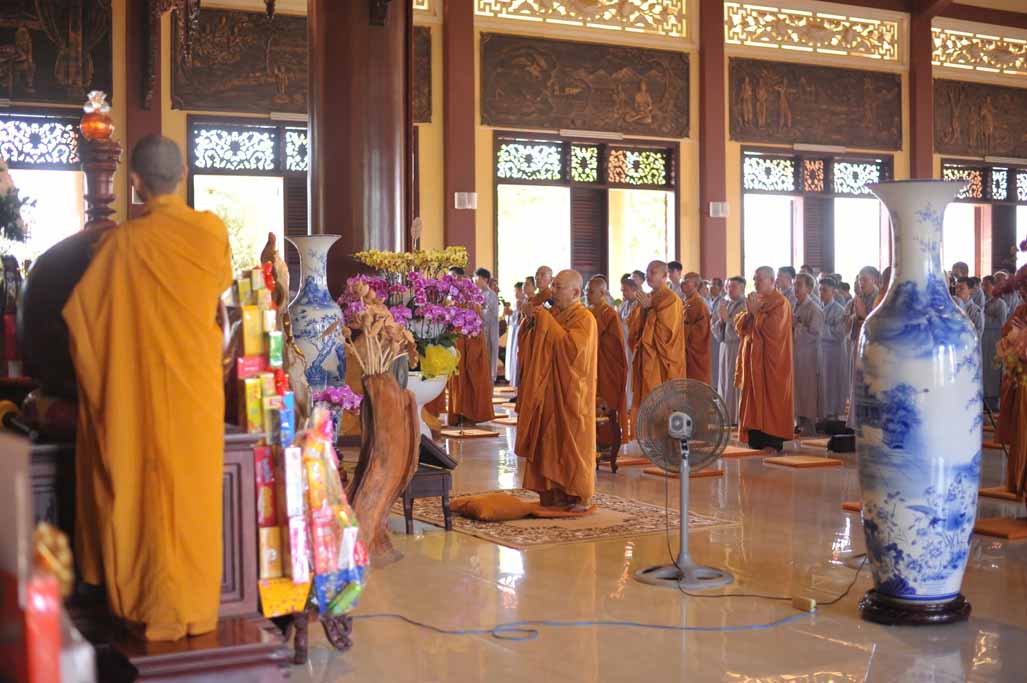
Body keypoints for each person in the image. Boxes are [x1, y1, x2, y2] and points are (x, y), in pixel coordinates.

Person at [63, 135, 233, 641]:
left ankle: (146, 607)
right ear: (183, 177)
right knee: (193, 502)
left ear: (134, 183)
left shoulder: (120, 246)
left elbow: (82, 323)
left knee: (142, 495)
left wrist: (103, 384)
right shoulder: (210, 233)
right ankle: (197, 610)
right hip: (196, 397)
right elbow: (218, 287)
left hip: (135, 398)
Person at [516, 269, 597, 511]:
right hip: (548, 389)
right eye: (553, 286)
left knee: (572, 442)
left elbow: (573, 351)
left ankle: (579, 495)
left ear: (575, 292)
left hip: (572, 392)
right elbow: (534, 343)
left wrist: (545, 321)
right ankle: (553, 492)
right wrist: (531, 321)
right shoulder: (553, 314)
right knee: (548, 440)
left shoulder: (585, 319)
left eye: (558, 287)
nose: (552, 291)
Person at [736, 265, 794, 453]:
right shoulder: (758, 301)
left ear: (772, 281)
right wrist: (749, 314)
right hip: (755, 361)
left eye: (759, 279)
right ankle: (756, 437)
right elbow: (743, 329)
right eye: (754, 279)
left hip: (773, 361)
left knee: (772, 398)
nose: (755, 283)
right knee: (754, 396)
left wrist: (755, 314)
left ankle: (773, 440)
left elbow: (773, 331)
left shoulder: (780, 303)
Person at [629, 260, 686, 424]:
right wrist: (644, 310)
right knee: (646, 400)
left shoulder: (671, 299)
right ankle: (644, 433)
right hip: (647, 359)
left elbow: (667, 335)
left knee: (659, 401)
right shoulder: (649, 297)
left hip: (661, 361)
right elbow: (637, 330)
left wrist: (650, 309)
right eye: (647, 273)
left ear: (665, 276)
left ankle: (661, 433)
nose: (648, 276)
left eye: (653, 273)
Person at [448, 270, 494, 425]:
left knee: (471, 378)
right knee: (458, 380)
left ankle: (470, 413)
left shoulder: (474, 305)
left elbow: (478, 327)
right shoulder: (453, 303)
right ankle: (458, 412)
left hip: (471, 345)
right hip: (457, 346)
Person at [997, 269, 1027, 498]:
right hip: (1020, 382)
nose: (1023, 293)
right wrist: (1012, 341)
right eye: (1022, 288)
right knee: (1020, 437)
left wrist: (1020, 339)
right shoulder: (1020, 311)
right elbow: (1003, 346)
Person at [587, 276, 628, 441]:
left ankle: (608, 441)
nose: (587, 295)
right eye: (586, 291)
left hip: (608, 367)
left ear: (602, 293)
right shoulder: (590, 312)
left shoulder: (609, 314)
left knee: (607, 404)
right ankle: (593, 439)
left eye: (591, 292)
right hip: (593, 364)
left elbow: (615, 344)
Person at [845, 266, 880, 428]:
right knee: (855, 383)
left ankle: (866, 423)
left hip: (870, 346)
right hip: (856, 343)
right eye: (860, 279)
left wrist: (862, 315)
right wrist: (853, 317)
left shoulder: (878, 298)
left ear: (874, 280)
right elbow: (847, 323)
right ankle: (855, 423)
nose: (861, 283)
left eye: (864, 279)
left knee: (867, 384)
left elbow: (874, 323)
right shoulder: (858, 298)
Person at [792, 273, 823, 434]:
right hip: (796, 354)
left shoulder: (814, 308)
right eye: (795, 284)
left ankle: (809, 425)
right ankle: (799, 422)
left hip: (809, 356)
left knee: (808, 390)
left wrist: (797, 325)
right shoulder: (795, 305)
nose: (795, 288)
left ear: (809, 288)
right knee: (797, 389)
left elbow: (816, 334)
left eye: (799, 285)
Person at [713, 276, 746, 424]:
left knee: (734, 380)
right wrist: (721, 321)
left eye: (733, 287)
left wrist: (727, 319)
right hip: (724, 345)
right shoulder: (724, 304)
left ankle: (736, 416)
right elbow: (714, 324)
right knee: (724, 380)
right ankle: (726, 414)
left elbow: (744, 328)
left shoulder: (745, 305)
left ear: (742, 288)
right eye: (728, 286)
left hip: (737, 346)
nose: (729, 289)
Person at [818, 277, 848, 421]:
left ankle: (833, 415)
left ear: (834, 292)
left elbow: (840, 333)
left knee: (832, 383)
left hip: (834, 353)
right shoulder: (819, 308)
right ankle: (823, 414)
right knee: (822, 384)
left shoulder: (839, 310)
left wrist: (821, 327)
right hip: (821, 352)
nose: (821, 293)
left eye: (824, 290)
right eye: (820, 290)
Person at [981, 275, 1007, 411]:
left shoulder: (1000, 304)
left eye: (986, 285)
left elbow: (1002, 323)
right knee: (985, 369)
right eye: (983, 285)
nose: (984, 288)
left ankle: (993, 401)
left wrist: (987, 318)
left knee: (993, 370)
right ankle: (984, 399)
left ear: (994, 286)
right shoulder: (986, 301)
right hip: (985, 339)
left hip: (995, 339)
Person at [681, 271, 711, 384]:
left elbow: (701, 331)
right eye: (683, 281)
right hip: (684, 352)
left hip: (695, 354)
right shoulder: (685, 302)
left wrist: (681, 329)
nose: (683, 283)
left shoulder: (699, 304)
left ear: (696, 285)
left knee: (696, 386)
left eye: (687, 281)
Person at [618, 275, 641, 429]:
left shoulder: (640, 305)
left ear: (634, 290)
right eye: (622, 290)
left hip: (633, 345)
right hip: (624, 343)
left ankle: (632, 402)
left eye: (626, 290)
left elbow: (637, 325)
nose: (623, 293)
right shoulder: (623, 305)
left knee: (633, 373)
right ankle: (626, 402)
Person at [475, 267, 501, 381]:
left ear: (485, 279)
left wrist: (479, 312)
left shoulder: (491, 295)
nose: (475, 280)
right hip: (478, 331)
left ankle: (488, 382)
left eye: (477, 278)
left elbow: (492, 314)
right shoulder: (476, 293)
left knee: (488, 357)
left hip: (488, 330)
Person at [505, 281, 525, 388]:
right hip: (512, 332)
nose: (516, 294)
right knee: (511, 357)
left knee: (516, 357)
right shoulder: (514, 303)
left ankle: (518, 385)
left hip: (519, 331)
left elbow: (520, 319)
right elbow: (510, 320)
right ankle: (513, 384)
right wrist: (508, 314)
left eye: (518, 291)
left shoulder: (525, 302)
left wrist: (515, 313)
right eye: (515, 291)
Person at [709, 278, 726, 387]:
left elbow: (719, 319)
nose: (711, 287)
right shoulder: (712, 301)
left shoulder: (721, 302)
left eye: (715, 285)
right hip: (712, 337)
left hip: (717, 338)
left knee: (717, 365)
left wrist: (711, 321)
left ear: (721, 288)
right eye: (711, 284)